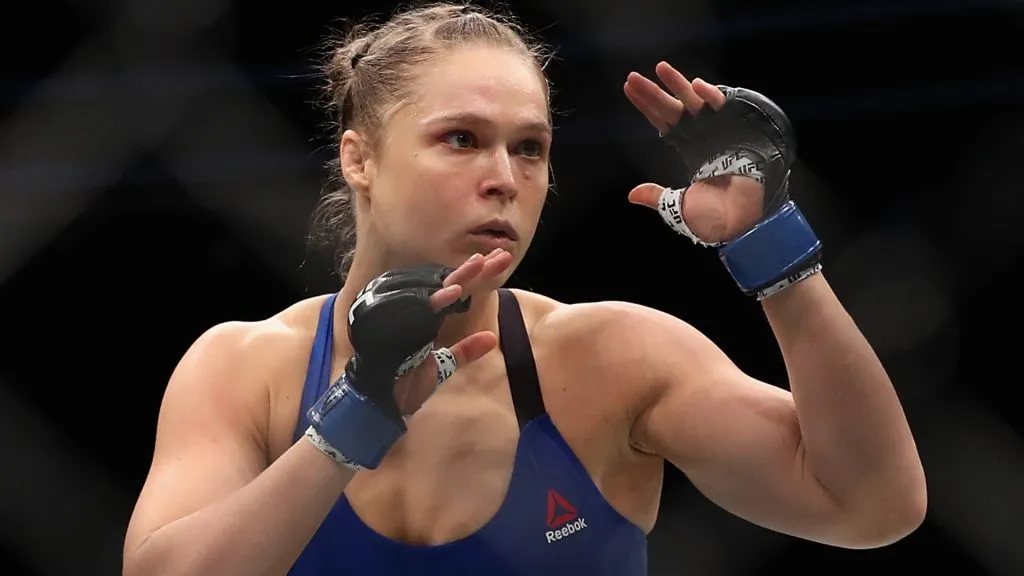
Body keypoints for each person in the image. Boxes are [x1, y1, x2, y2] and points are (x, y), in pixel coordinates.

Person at [122, 3, 927, 576]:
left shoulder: (609, 360)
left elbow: (872, 507)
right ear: (360, 159)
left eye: (531, 148)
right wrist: (349, 425)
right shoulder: (245, 369)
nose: (504, 179)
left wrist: (773, 246)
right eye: (461, 140)